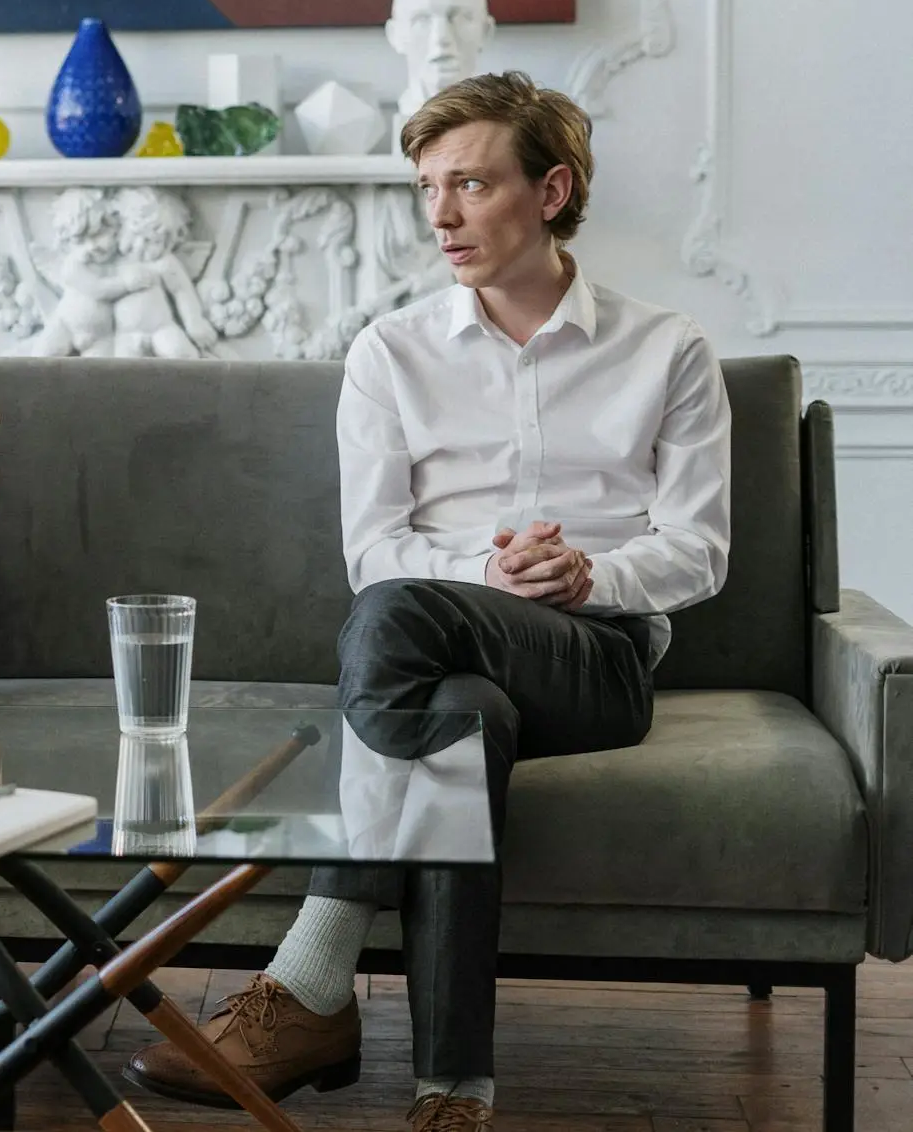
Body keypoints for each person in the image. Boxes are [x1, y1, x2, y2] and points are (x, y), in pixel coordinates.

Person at [126, 72, 731, 1132]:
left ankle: (311, 978)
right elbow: (375, 550)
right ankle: (454, 1090)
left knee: (401, 615)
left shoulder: (667, 347)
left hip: (596, 659)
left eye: (472, 185)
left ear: (551, 191)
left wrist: (589, 576)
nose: (441, 215)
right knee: (459, 717)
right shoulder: (390, 352)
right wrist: (489, 579)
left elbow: (701, 550)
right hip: (443, 652)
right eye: (427, 188)